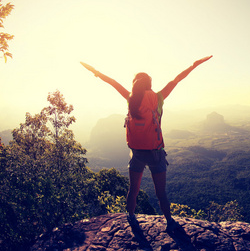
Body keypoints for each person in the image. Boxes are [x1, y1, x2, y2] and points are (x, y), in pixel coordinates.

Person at [81, 55, 212, 232]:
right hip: (156, 153)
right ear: (150, 84)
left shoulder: (131, 98)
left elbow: (112, 82)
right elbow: (177, 79)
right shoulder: (158, 97)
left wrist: (95, 72)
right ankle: (169, 222)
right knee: (161, 192)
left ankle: (131, 217)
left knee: (133, 189)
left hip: (136, 153)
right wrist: (194, 65)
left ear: (135, 83)